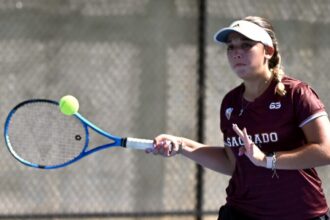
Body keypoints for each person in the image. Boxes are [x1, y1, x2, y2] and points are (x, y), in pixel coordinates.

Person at [146, 16, 330, 220]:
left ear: (268, 51)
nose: (236, 53)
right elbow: (233, 163)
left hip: (299, 214)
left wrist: (266, 160)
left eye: (246, 45)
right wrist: (181, 145)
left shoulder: (297, 94)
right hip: (241, 212)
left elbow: (325, 151)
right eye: (231, 47)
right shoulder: (230, 102)